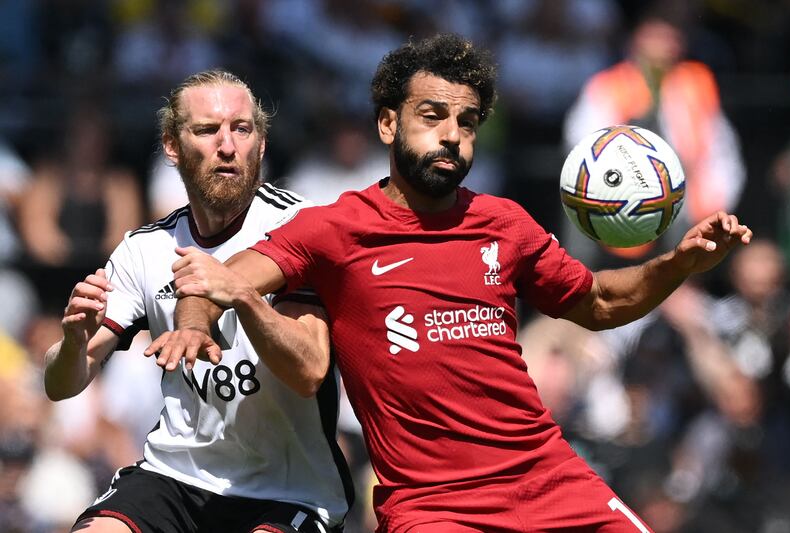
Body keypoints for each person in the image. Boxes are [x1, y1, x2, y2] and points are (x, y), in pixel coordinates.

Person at [150, 35, 751, 532]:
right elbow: (212, 279)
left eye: (467, 122)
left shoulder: (504, 223)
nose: (452, 136)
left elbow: (597, 301)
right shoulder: (333, 230)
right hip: (434, 508)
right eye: (432, 117)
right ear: (388, 124)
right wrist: (193, 328)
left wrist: (679, 263)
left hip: (550, 480)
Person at [43, 70, 353, 533]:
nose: (227, 146)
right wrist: (72, 341)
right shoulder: (144, 247)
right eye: (207, 130)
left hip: (289, 489)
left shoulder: (301, 226)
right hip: (175, 476)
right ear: (172, 145)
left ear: (262, 144)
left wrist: (244, 295)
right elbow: (60, 385)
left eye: (242, 129)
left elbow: (309, 371)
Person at [562, 11, 746, 266]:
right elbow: (580, 140)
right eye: (656, 36)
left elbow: (721, 146)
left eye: (671, 37)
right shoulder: (610, 84)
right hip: (617, 190)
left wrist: (718, 191)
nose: (664, 45)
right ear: (636, 40)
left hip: (682, 195)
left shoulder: (696, 81)